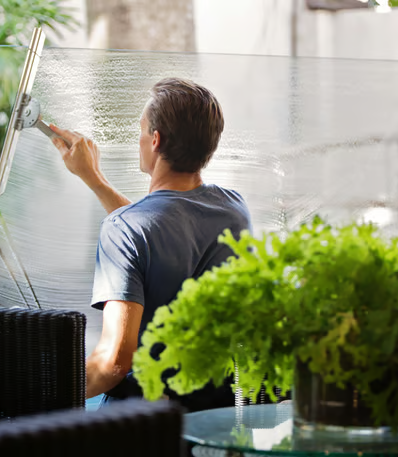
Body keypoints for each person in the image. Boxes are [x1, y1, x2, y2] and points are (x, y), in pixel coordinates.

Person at [49, 77, 252, 412]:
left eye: (141, 130)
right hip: (214, 413)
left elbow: (113, 363)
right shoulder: (234, 210)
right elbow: (161, 226)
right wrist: (94, 179)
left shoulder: (126, 229)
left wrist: (40, 390)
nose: (140, 138)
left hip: (145, 422)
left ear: (155, 140)